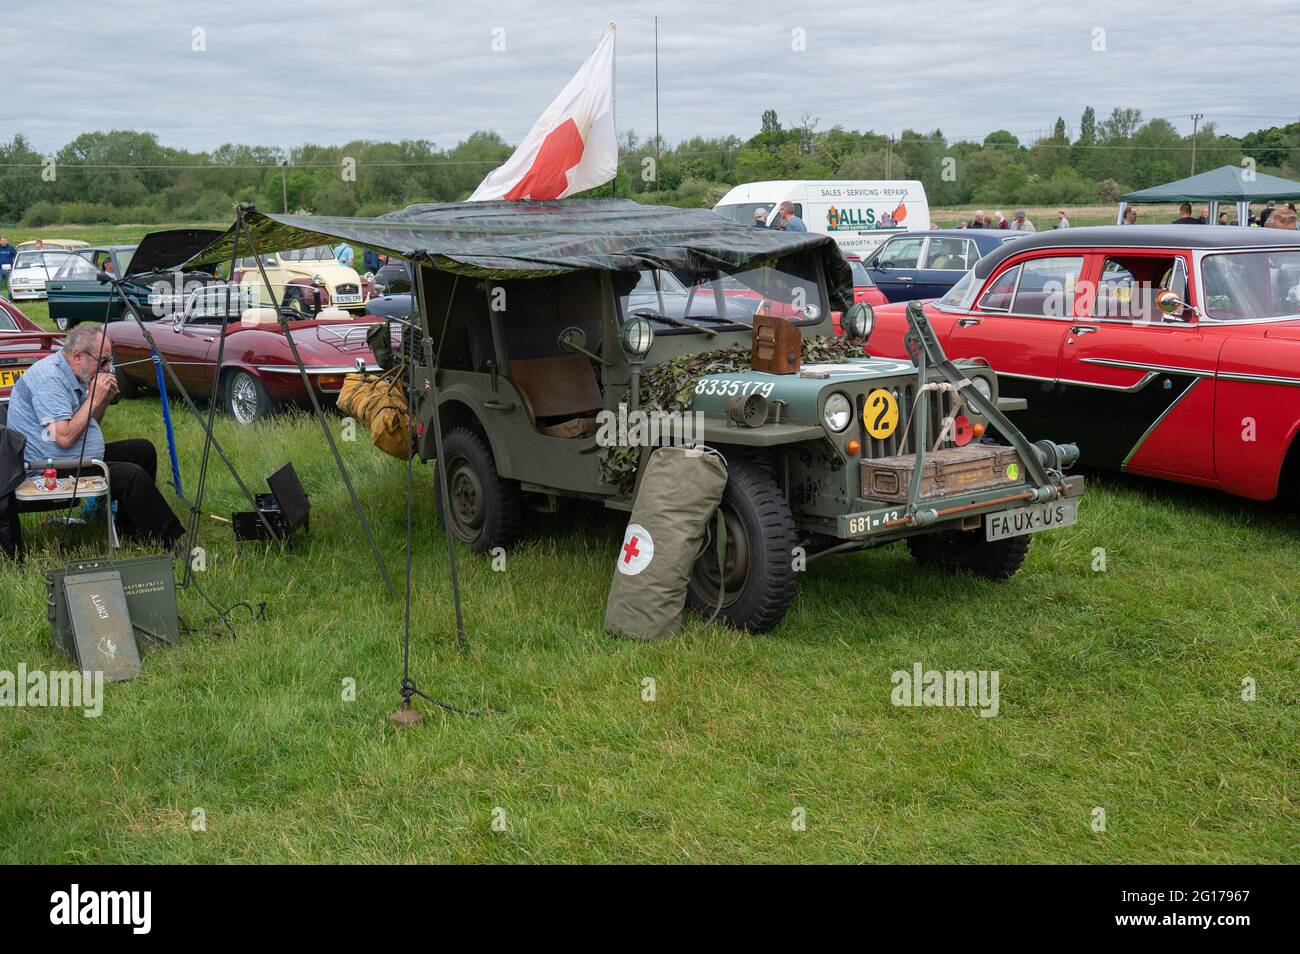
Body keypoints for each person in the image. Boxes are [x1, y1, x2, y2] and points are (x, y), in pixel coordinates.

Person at [6, 324, 184, 547]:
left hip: (70, 456)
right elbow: (63, 438)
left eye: (109, 361)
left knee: (143, 450)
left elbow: (89, 422)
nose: (107, 368)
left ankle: (131, 530)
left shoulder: (74, 372)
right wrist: (93, 399)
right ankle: (169, 540)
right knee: (131, 476)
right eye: (102, 362)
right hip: (48, 469)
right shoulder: (50, 380)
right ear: (78, 355)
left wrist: (103, 400)